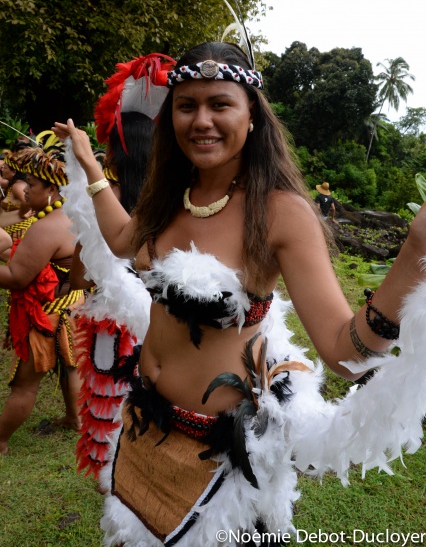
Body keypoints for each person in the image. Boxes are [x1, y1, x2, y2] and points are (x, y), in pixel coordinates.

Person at [54, 41, 426, 547]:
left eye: (220, 104)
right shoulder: (169, 194)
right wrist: (90, 167)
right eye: (187, 105)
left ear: (252, 116)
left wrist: (414, 250)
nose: (201, 120)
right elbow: (122, 241)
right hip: (143, 426)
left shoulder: (280, 213)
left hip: (218, 464)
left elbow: (344, 351)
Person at [68, 53, 175, 479]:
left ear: (114, 151)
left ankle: (114, 486)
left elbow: (82, 271)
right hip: (170, 325)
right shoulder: (177, 199)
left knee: (110, 413)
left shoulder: (103, 199)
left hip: (113, 328)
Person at [0, 138, 84, 455]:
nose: (25, 191)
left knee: (23, 384)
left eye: (32, 185)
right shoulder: (70, 216)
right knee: (69, 367)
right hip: (71, 305)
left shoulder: (49, 225)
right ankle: (74, 418)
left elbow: (16, 277)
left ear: (51, 189)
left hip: (49, 314)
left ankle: (0, 441)